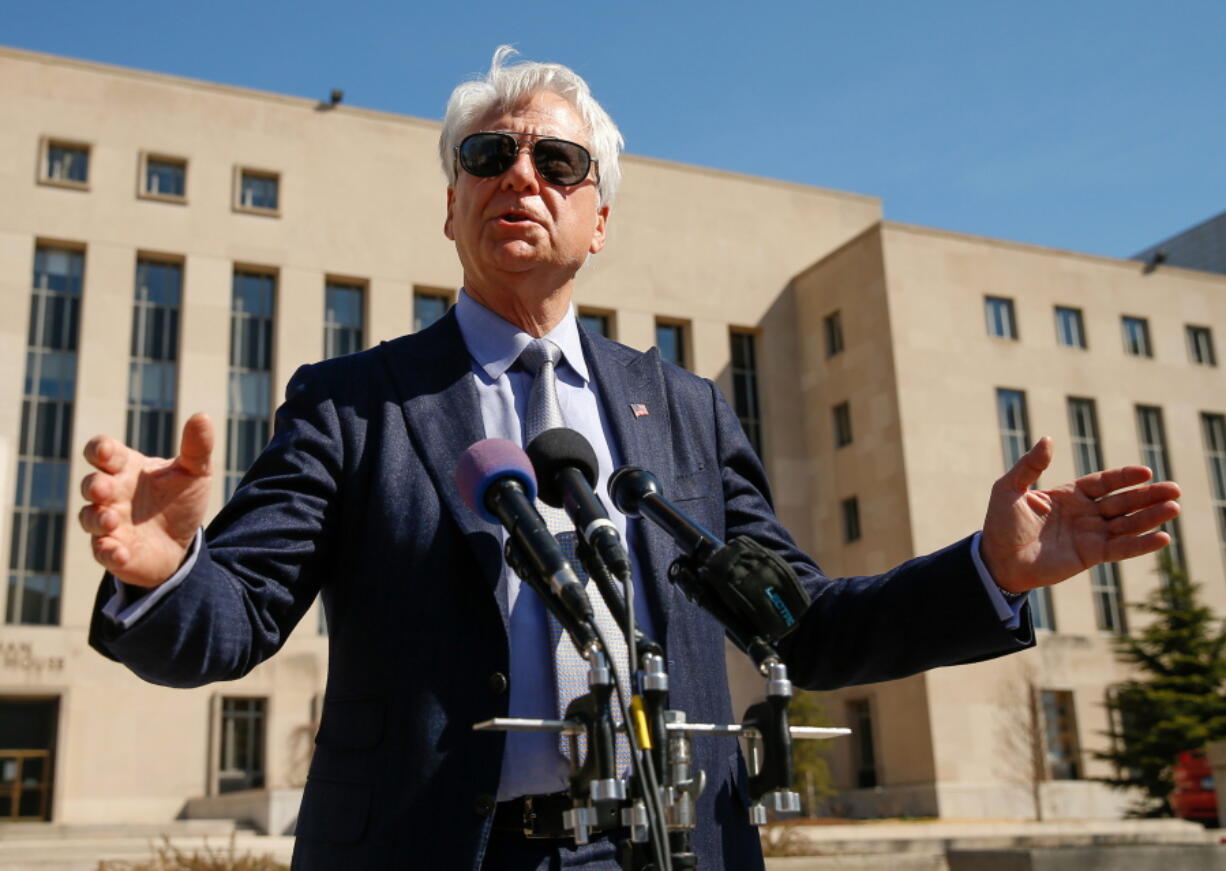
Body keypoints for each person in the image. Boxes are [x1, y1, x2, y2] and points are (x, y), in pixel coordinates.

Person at [79, 48, 1181, 871]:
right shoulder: (350, 406)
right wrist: (159, 570)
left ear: (598, 216)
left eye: (555, 160)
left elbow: (798, 623)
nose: (521, 175)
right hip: (428, 848)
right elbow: (229, 623)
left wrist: (988, 570)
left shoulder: (687, 412)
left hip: (665, 844)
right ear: (452, 205)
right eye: (487, 156)